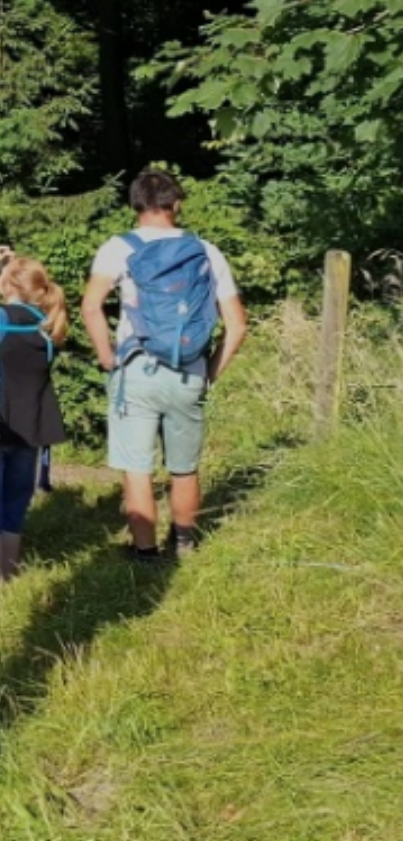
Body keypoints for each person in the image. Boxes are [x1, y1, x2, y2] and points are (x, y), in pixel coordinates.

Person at [80, 169, 248, 559]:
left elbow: (90, 307)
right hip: (190, 370)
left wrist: (107, 358)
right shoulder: (206, 251)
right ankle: (185, 543)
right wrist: (208, 374)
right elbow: (238, 326)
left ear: (135, 206)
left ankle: (145, 553)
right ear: (177, 204)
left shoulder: (117, 249)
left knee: (137, 467)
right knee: (184, 467)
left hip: (137, 367)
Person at [0, 248, 69, 586]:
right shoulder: (47, 323)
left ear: (5, 284)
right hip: (31, 425)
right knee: (14, 505)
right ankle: (10, 573)